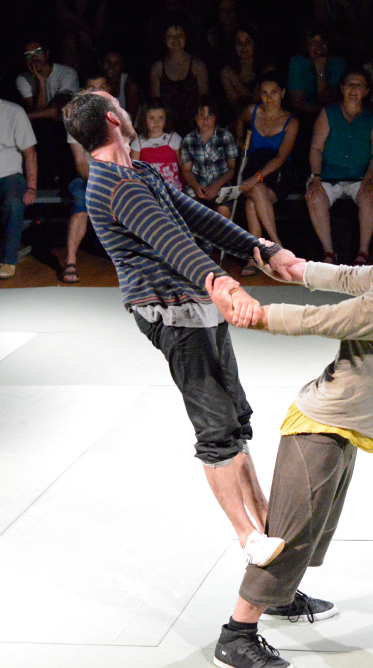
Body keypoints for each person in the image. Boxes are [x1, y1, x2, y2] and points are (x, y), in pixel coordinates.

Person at [61, 89, 316, 584]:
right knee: (216, 429)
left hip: (197, 306)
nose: (128, 112)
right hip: (171, 313)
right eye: (121, 106)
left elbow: (195, 218)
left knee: (234, 421)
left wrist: (262, 248)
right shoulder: (115, 186)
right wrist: (225, 284)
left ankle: (267, 531)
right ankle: (248, 537)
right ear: (113, 119)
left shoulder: (141, 172)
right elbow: (173, 242)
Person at [205, 200, 373, 668]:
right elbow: (318, 320)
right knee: (290, 535)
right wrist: (251, 314)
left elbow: (344, 277)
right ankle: (236, 635)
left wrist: (296, 268)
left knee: (314, 530)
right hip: (319, 430)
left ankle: (281, 597)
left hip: (344, 428)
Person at [306, 70, 373, 266]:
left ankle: (363, 253)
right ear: (342, 88)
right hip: (328, 175)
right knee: (314, 197)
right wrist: (316, 178)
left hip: (361, 176)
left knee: (369, 196)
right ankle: (329, 252)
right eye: (350, 84)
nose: (353, 89)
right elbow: (316, 148)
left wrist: (368, 179)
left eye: (359, 86)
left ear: (366, 91)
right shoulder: (328, 113)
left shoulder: (372, 117)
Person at [234, 74, 299, 271]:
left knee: (252, 203)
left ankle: (255, 257)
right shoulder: (252, 111)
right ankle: (277, 246)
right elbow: (239, 120)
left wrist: (256, 178)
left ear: (282, 93)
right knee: (256, 193)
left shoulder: (291, 121)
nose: (268, 98)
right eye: (264, 93)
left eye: (273, 93)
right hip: (253, 165)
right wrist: (240, 140)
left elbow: (281, 157)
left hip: (278, 172)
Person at [62, 71, 109, 284]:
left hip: (115, 177)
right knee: (81, 199)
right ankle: (70, 261)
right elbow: (81, 163)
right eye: (92, 88)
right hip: (87, 178)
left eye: (101, 87)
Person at [17, 38, 80, 188]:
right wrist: (41, 82)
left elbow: (56, 111)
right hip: (44, 130)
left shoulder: (66, 73)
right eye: (28, 55)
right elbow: (40, 114)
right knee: (41, 128)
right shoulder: (23, 79)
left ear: (47, 53)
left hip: (69, 125)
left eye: (37, 52)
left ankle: (62, 180)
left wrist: (23, 117)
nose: (34, 58)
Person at [179, 97, 239, 219]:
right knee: (193, 211)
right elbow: (186, 170)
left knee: (223, 211)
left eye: (210, 115)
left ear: (216, 116)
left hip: (222, 188)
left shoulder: (225, 136)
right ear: (194, 117)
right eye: (201, 116)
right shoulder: (188, 139)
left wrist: (217, 185)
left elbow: (232, 169)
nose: (205, 120)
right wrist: (196, 186)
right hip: (197, 188)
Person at [149, 23, 210, 137]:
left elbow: (205, 100)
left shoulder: (197, 66)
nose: (175, 40)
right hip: (167, 129)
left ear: (186, 37)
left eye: (179, 35)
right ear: (164, 39)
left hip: (194, 128)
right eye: (170, 36)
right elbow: (155, 104)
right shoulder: (157, 68)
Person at [0, 99, 38, 280]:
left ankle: (9, 260)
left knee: (14, 203)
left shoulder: (14, 112)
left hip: (9, 175)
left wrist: (31, 187)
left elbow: (30, 153)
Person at [220, 26, 276, 122]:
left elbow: (257, 105)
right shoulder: (227, 72)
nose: (243, 46)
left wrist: (235, 81)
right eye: (239, 43)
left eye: (248, 42)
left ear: (255, 44)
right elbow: (236, 108)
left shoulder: (267, 70)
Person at [287, 27, 346, 118]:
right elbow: (298, 103)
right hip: (305, 116)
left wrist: (320, 72)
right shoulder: (298, 62)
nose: (319, 48)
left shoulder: (337, 63)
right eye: (313, 43)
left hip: (333, 117)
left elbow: (331, 102)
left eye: (323, 43)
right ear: (306, 46)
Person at [130, 99, 184, 190]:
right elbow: (133, 170)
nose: (156, 122)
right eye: (152, 118)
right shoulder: (138, 142)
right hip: (150, 190)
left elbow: (183, 167)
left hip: (173, 190)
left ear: (166, 118)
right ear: (144, 120)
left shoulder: (174, 138)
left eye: (160, 118)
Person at [99, 51, 140, 120]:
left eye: (116, 63)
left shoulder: (130, 85)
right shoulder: (95, 82)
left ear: (122, 66)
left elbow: (131, 118)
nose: (111, 66)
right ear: (100, 63)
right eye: (108, 62)